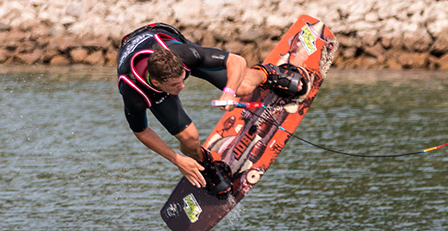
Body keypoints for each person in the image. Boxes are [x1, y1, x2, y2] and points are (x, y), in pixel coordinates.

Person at [116, 22, 309, 196]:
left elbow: (237, 61)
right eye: (176, 85)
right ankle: (205, 164)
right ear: (157, 83)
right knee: (189, 138)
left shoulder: (184, 54)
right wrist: (177, 160)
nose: (182, 86)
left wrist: (229, 92)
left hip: (158, 35)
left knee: (242, 87)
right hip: (139, 67)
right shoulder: (133, 92)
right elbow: (140, 131)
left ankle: (268, 74)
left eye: (184, 78)